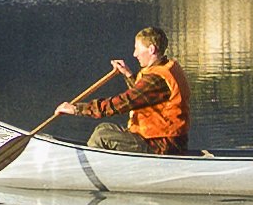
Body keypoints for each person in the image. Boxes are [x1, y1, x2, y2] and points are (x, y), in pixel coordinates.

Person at [60, 26, 193, 154]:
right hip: (157, 138)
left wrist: (77, 109)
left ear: (151, 49)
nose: (135, 54)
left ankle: (96, 169)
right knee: (103, 128)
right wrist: (128, 75)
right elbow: (145, 96)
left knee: (102, 137)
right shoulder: (167, 67)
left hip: (162, 144)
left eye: (137, 49)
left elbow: (123, 103)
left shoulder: (156, 79)